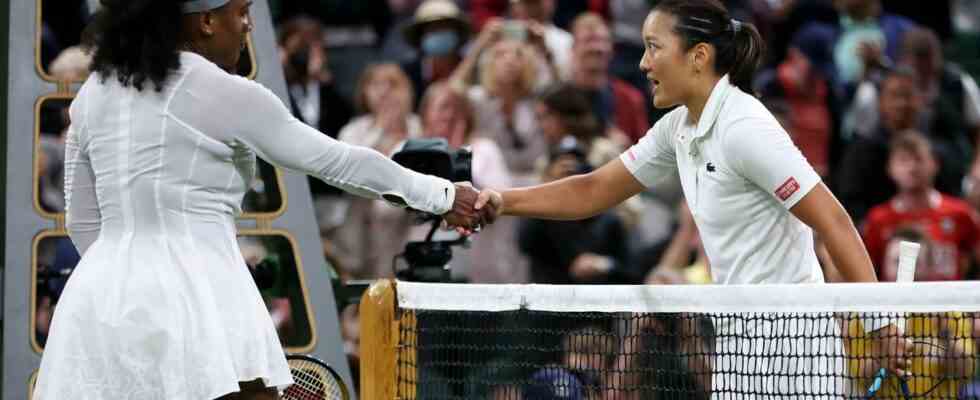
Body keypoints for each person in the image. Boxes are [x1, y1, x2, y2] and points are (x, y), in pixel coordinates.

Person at [32, 1, 487, 400]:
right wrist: (443, 194)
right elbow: (337, 162)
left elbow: (82, 221)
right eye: (242, 12)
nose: (248, 25)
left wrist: (125, 281)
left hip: (97, 297)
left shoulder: (91, 96)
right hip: (201, 284)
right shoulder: (221, 90)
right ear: (207, 21)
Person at [474, 0, 910, 396]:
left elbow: (832, 220)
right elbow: (593, 189)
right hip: (736, 343)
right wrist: (501, 201)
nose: (643, 63)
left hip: (796, 343)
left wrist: (882, 323)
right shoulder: (678, 128)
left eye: (654, 47)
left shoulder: (745, 129)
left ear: (698, 57)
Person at [861, 131, 980, 282]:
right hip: (895, 302)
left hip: (949, 301)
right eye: (903, 160)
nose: (912, 167)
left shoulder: (960, 213)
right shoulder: (878, 219)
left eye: (919, 159)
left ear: (935, 164)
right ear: (890, 168)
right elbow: (865, 273)